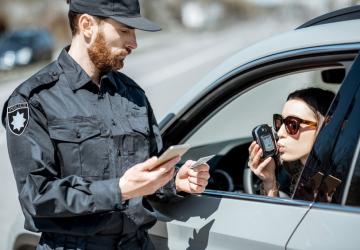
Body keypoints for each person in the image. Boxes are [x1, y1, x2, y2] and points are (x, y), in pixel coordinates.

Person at [1, 0, 210, 249]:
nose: (134, 43)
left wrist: (173, 182)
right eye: (124, 30)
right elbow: (37, 196)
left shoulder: (133, 95)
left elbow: (144, 174)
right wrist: (119, 190)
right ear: (87, 25)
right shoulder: (33, 100)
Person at [248, 87, 335, 197]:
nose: (279, 133)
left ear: (326, 127)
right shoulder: (292, 173)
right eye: (280, 122)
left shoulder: (340, 180)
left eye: (292, 124)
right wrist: (270, 182)